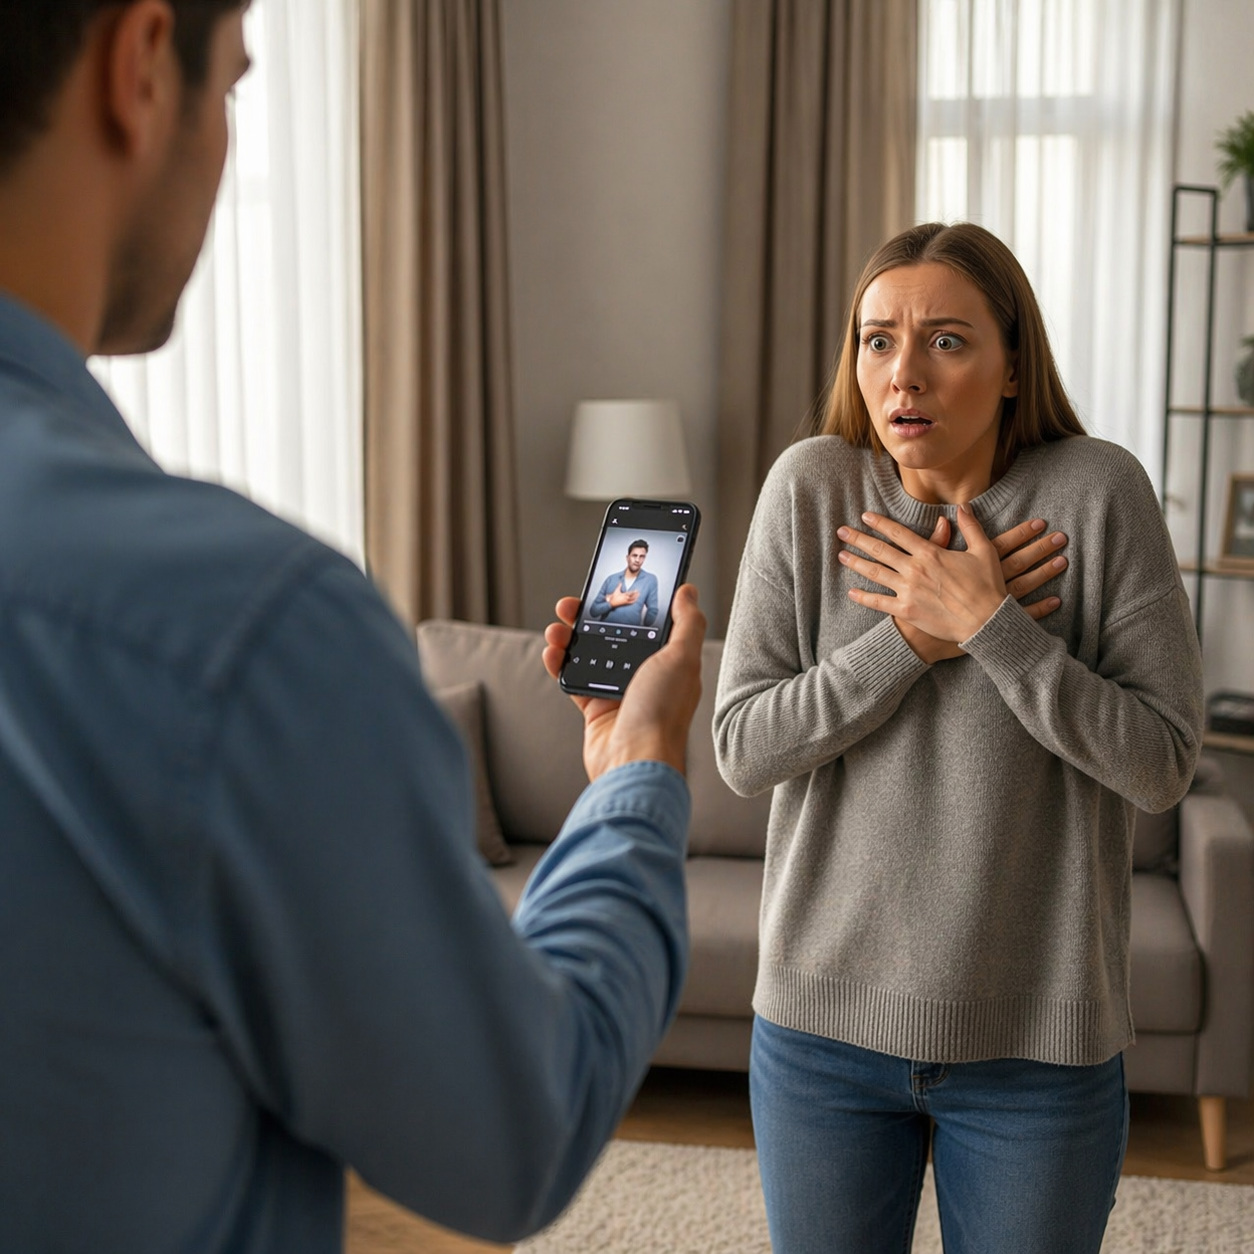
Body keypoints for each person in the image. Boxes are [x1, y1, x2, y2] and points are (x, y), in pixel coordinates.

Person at [0, 3, 706, 1251]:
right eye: (231, 90)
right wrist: (637, 773)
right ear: (140, 66)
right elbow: (513, 1130)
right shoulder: (240, 631)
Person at [714, 221, 1203, 1253]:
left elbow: (1161, 764)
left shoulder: (1100, 494)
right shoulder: (811, 490)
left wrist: (995, 630)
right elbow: (744, 747)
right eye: (878, 339)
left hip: (1041, 1045)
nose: (905, 374)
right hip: (819, 1037)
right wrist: (906, 640)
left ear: (1013, 362)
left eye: (945, 340)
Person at [590, 538, 660, 626]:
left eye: (642, 556)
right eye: (634, 555)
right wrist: (612, 603)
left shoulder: (650, 580)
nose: (638, 560)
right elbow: (593, 611)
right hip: (604, 632)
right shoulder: (611, 579)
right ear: (627, 558)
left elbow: (653, 609)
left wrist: (643, 631)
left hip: (632, 635)